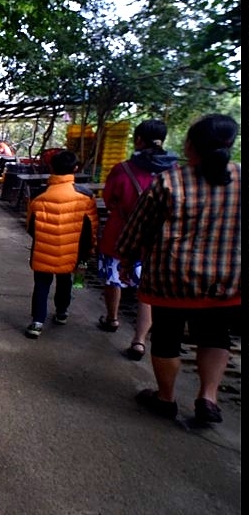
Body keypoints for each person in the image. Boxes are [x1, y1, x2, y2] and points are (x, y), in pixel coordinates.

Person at [115, 114, 241, 426]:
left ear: (189, 145)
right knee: (215, 336)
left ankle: (166, 397)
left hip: (172, 278)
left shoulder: (171, 181)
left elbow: (138, 228)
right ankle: (207, 397)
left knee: (167, 337)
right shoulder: (240, 178)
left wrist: (127, 259)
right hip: (226, 279)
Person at [96, 119, 179, 360]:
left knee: (114, 279)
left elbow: (109, 199)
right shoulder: (173, 172)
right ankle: (139, 341)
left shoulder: (123, 169)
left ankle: (112, 319)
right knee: (147, 289)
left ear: (138, 140)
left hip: (119, 235)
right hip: (154, 240)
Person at [23, 150, 98, 339]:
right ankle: (62, 312)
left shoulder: (38, 195)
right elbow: (91, 228)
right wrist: (89, 249)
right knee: (66, 281)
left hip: (43, 248)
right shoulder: (86, 196)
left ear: (51, 168)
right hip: (72, 251)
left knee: (41, 284)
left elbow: (30, 226)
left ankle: (37, 322)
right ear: (75, 168)